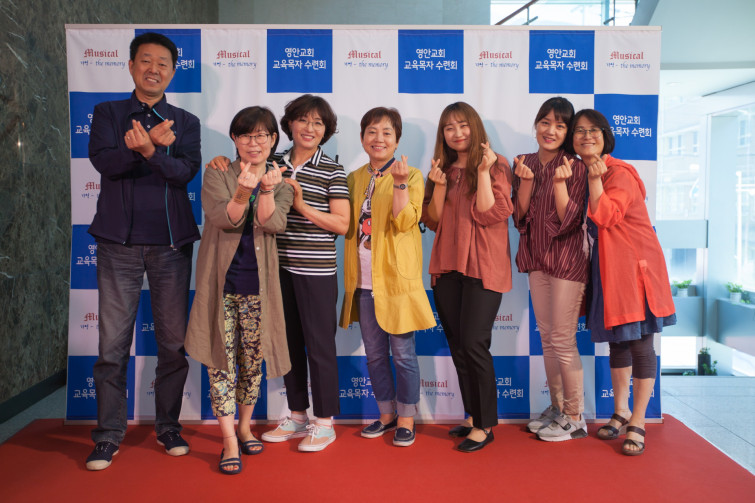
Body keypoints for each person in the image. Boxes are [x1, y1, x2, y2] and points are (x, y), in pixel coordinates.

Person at [207, 95, 349, 452]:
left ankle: (325, 422)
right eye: (303, 120)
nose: (309, 128)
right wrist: (223, 160)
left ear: (326, 130)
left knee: (320, 346)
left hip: (315, 269)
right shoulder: (274, 162)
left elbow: (343, 225)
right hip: (274, 269)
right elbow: (242, 170)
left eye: (318, 123)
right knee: (287, 345)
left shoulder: (332, 170)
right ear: (288, 126)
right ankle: (298, 414)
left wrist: (301, 205)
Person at [86, 32, 201, 470]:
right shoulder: (108, 113)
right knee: (112, 346)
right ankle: (107, 434)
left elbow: (184, 173)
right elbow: (105, 162)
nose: (154, 69)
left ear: (173, 71)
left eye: (163, 63)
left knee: (172, 344)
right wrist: (140, 150)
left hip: (171, 247)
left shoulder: (184, 121)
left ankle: (168, 426)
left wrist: (151, 149)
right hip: (118, 245)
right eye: (146, 61)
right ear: (132, 65)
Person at [185, 107, 293, 474]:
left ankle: (245, 427)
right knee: (220, 364)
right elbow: (224, 219)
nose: (254, 142)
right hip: (221, 287)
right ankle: (229, 439)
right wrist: (243, 190)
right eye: (246, 134)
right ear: (234, 138)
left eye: (262, 135)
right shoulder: (218, 173)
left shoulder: (281, 181)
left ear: (273, 140)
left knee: (252, 363)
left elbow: (271, 222)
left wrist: (266, 189)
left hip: (259, 289)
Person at [569, 109, 677, 456]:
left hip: (634, 270)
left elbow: (605, 215)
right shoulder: (580, 172)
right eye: (579, 130)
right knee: (617, 344)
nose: (587, 136)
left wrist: (596, 180)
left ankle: (638, 421)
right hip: (607, 270)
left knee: (641, 345)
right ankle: (620, 411)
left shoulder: (619, 173)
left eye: (594, 130)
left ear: (606, 136)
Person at [340, 107, 435, 447]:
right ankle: (386, 414)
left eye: (386, 133)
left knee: (404, 354)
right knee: (375, 355)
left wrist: (398, 183)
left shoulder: (412, 176)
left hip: (396, 282)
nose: (378, 138)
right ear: (362, 137)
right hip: (363, 283)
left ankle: (407, 417)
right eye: (372, 131)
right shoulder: (352, 178)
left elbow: (406, 220)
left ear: (396, 141)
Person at [421, 102, 513, 452]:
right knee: (459, 346)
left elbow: (490, 214)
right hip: (447, 267)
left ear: (475, 127)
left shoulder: (496, 163)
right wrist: (438, 185)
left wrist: (484, 172)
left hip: (483, 268)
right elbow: (432, 220)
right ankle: (474, 416)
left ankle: (486, 425)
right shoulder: (442, 169)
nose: (457, 133)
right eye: (449, 127)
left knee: (475, 344)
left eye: (463, 125)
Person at [511, 97, 590, 442]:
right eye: (545, 122)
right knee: (547, 338)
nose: (551, 130)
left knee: (562, 339)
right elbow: (518, 218)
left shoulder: (576, 166)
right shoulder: (523, 163)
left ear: (567, 131)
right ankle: (558, 408)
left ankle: (575, 416)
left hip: (567, 261)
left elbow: (569, 220)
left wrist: (559, 184)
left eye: (560, 125)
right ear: (536, 125)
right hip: (536, 258)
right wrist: (526, 184)